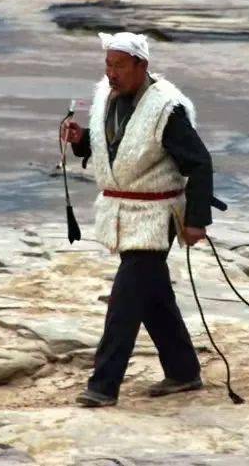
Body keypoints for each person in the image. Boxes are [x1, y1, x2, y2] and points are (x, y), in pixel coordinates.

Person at [60, 31, 219, 408]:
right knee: (153, 298)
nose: (111, 73)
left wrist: (197, 220)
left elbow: (200, 163)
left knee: (125, 301)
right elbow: (110, 147)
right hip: (121, 212)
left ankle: (103, 386)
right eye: (107, 65)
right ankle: (183, 372)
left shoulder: (167, 108)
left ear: (141, 66)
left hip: (155, 216)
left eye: (118, 66)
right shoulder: (106, 98)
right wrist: (80, 139)